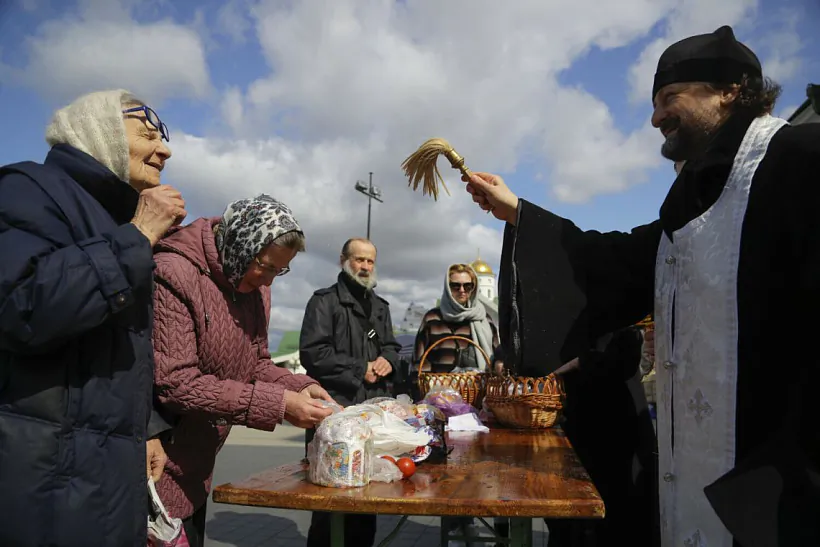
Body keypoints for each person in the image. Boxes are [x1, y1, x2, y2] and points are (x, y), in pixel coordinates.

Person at [464, 25, 820, 547]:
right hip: (697, 489)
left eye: (670, 97)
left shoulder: (802, 160)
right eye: (654, 103)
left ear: (730, 90)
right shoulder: (688, 202)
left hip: (783, 496)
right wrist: (517, 212)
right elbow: (615, 261)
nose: (655, 117)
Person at [0, 89, 183, 547]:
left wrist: (147, 430)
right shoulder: (26, 187)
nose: (165, 149)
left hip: (103, 476)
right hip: (46, 479)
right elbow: (25, 309)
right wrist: (138, 235)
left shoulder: (111, 222)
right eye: (147, 133)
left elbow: (110, 356)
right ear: (97, 130)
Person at [151, 194, 334, 547]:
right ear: (239, 243)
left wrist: (300, 387)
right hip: (158, 458)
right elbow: (176, 383)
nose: (266, 281)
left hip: (198, 461)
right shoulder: (174, 273)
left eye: (279, 271)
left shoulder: (255, 290)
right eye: (264, 266)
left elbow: (256, 363)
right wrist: (280, 405)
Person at [300, 237, 402, 547]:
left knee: (366, 497)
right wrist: (362, 367)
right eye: (359, 259)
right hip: (334, 413)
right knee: (328, 497)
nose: (365, 266)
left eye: (370, 261)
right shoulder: (324, 301)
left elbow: (393, 347)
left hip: (370, 415)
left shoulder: (380, 307)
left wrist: (388, 361)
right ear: (344, 260)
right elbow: (313, 353)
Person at [412, 263, 503, 544]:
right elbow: (420, 364)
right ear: (447, 287)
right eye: (455, 285)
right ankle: (453, 523)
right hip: (439, 409)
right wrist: (432, 397)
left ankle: (471, 520)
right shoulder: (433, 318)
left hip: (476, 410)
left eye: (468, 286)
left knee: (475, 470)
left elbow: (495, 362)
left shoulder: (484, 320)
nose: (461, 291)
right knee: (446, 473)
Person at [546, 328, 659, 547]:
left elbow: (625, 350)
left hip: (609, 419)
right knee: (567, 522)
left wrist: (585, 361)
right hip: (567, 414)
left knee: (614, 517)